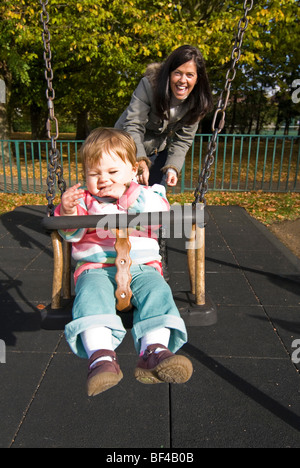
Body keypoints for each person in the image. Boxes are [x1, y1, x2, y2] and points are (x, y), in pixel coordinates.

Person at [54, 127, 193, 397]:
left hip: (143, 267)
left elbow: (161, 212)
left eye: (112, 172)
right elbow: (72, 233)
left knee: (158, 294)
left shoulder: (148, 193)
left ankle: (154, 351)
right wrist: (67, 212)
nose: (103, 180)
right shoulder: (84, 200)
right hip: (96, 268)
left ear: (133, 170)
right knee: (90, 298)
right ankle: (101, 358)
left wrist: (129, 196)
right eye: (94, 174)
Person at [115, 45, 213, 187]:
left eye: (190, 75)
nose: (183, 80)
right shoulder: (150, 86)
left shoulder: (196, 103)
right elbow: (133, 124)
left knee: (153, 199)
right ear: (169, 74)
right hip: (125, 147)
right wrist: (140, 161)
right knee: (123, 198)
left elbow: (183, 139)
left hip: (156, 151)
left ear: (197, 78)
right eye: (178, 73)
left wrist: (173, 167)